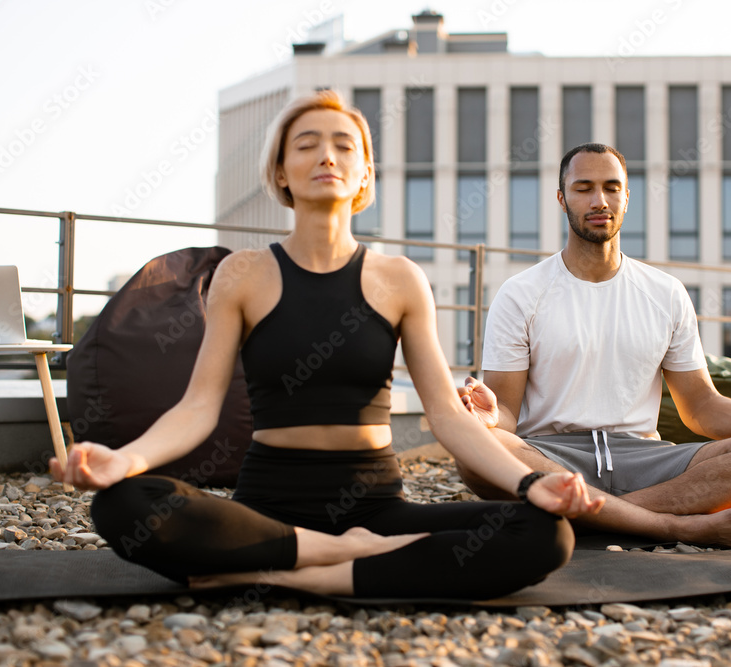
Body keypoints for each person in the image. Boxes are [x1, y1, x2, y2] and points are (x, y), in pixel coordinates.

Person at [50, 91, 601, 601]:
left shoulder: (400, 279)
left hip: (375, 505)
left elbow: (449, 418)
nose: (326, 157)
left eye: (344, 146)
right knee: (122, 504)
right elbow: (198, 408)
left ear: (364, 173)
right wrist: (122, 460)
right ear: (281, 172)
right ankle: (347, 557)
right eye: (306, 145)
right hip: (268, 508)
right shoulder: (242, 274)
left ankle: (278, 576)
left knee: (546, 533)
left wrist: (531, 482)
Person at [456, 142, 731, 549]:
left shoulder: (665, 292)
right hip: (551, 458)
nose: (600, 201)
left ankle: (592, 520)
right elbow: (507, 414)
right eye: (583, 188)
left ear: (627, 197)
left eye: (612, 187)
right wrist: (489, 419)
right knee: (477, 448)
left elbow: (701, 407)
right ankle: (673, 527)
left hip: (645, 459)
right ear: (562, 199)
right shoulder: (521, 294)